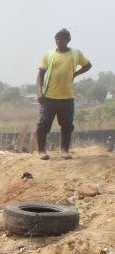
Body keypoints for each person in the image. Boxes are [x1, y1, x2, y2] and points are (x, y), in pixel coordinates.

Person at [35, 28, 91, 160]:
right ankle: (42, 151)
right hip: (49, 97)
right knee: (43, 125)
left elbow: (88, 65)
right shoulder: (48, 54)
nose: (59, 41)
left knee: (67, 126)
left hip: (67, 98)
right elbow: (40, 74)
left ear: (68, 40)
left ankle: (64, 150)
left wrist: (75, 74)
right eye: (57, 39)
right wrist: (39, 92)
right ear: (55, 40)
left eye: (62, 39)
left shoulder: (75, 54)